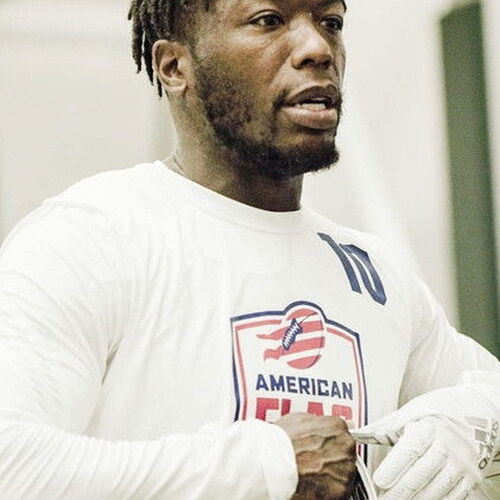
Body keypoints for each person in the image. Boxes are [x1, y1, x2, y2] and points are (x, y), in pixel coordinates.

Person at [0, 0, 498, 498]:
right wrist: (271, 464)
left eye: (331, 23)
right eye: (268, 21)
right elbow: (12, 466)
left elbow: (488, 391)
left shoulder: (375, 274)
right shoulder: (91, 236)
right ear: (174, 66)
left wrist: (469, 420)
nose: (317, 48)